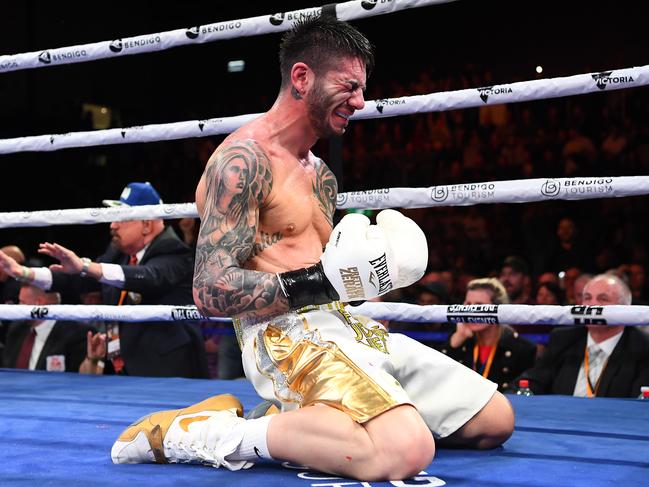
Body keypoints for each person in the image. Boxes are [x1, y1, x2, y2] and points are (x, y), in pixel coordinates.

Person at [110, 17, 513, 481]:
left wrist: (380, 271)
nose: (361, 101)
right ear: (302, 78)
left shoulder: (321, 175)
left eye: (363, 88)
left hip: (344, 325)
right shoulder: (241, 162)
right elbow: (210, 290)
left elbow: (334, 274)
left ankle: (290, 421)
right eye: (349, 85)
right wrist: (319, 282)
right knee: (405, 449)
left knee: (494, 419)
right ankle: (208, 433)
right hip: (282, 337)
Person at [0, 182, 208, 379]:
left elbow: (148, 277)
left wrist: (85, 266)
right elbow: (80, 280)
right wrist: (24, 273)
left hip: (168, 369)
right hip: (122, 369)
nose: (113, 225)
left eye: (121, 218)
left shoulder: (173, 249)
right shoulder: (117, 253)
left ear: (146, 224)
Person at [519, 274, 649, 397]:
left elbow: (638, 404)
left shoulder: (642, 347)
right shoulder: (563, 339)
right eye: (587, 298)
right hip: (561, 418)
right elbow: (532, 382)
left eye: (603, 299)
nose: (591, 305)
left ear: (625, 308)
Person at [440, 278, 536, 392]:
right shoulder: (460, 340)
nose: (472, 312)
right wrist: (456, 341)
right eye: (468, 305)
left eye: (479, 306)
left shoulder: (521, 348)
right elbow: (438, 378)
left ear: (498, 309)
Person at [3, 284, 93, 372]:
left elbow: (82, 378)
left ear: (39, 303)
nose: (18, 307)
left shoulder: (76, 334)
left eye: (23, 302)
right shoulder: (16, 329)